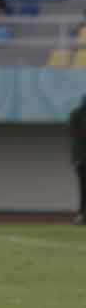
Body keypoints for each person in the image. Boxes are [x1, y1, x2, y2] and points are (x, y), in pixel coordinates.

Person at [71, 95, 86, 224]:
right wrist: (77, 159)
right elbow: (75, 135)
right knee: (83, 187)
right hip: (82, 158)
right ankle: (82, 214)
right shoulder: (76, 115)